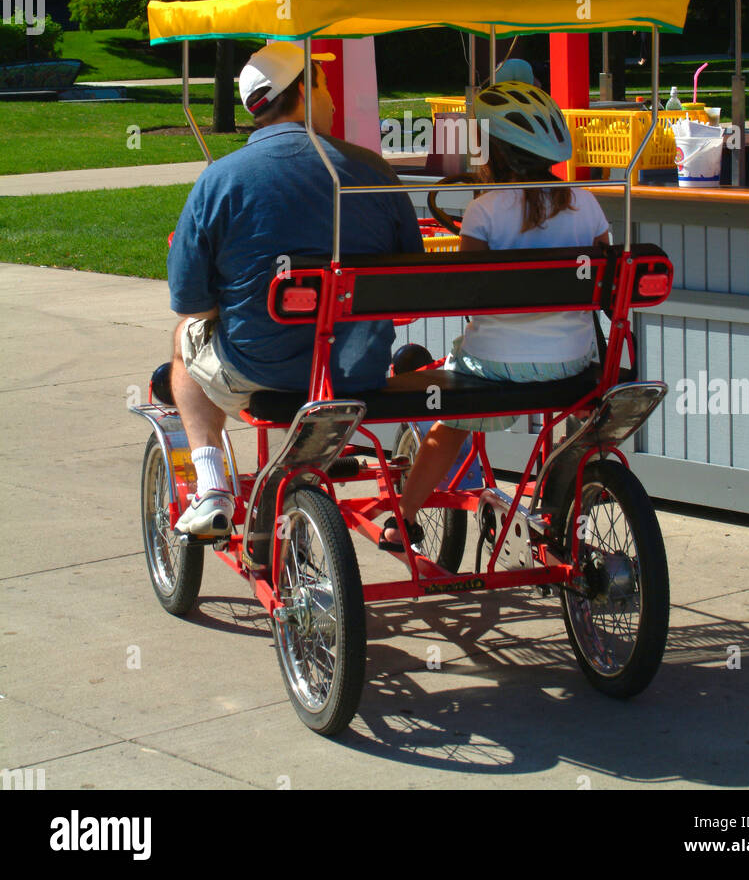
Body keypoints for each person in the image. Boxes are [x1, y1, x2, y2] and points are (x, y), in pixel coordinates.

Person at [169, 41, 423, 536]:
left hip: (259, 369)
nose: (330, 100)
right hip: (358, 370)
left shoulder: (218, 180)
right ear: (303, 90)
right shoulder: (373, 168)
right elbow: (408, 281)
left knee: (183, 341)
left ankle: (212, 486)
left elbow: (191, 301)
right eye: (323, 86)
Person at [379, 80, 610, 551]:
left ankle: (402, 519)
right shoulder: (586, 202)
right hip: (572, 366)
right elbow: (604, 284)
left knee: (448, 426)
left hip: (494, 372)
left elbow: (468, 295)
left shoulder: (484, 211)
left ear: (490, 149)